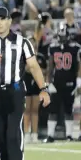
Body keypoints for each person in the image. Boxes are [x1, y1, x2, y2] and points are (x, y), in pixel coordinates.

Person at [0, 6, 50, 160]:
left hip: (15, 90)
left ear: (10, 21)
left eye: (2, 19)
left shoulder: (22, 42)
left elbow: (33, 66)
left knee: (12, 132)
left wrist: (43, 89)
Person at [46, 25, 81, 143]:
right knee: (53, 110)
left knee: (68, 110)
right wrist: (48, 82)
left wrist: (78, 84)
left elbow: (79, 67)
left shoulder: (75, 48)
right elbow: (50, 66)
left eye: (63, 36)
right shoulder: (53, 47)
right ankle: (50, 135)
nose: (62, 39)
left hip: (69, 82)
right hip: (56, 83)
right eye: (60, 36)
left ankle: (69, 135)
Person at [23, 13, 52, 143]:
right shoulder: (23, 57)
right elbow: (28, 69)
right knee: (26, 110)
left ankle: (34, 135)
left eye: (33, 43)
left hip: (36, 84)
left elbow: (44, 70)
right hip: (26, 83)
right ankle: (26, 134)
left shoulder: (40, 56)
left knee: (35, 110)